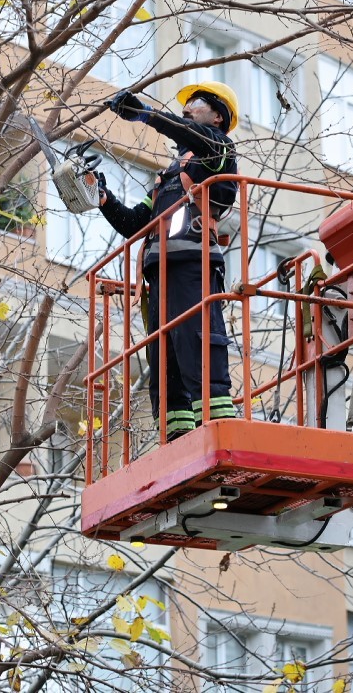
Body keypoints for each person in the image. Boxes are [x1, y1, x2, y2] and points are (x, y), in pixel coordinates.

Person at [96, 81, 240, 442]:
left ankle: (217, 426)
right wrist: (101, 197)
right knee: (165, 359)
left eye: (196, 103)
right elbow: (134, 224)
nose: (187, 108)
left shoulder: (217, 148)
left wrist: (144, 113)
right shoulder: (170, 176)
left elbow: (187, 131)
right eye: (186, 104)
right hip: (159, 274)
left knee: (196, 343)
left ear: (218, 116)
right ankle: (175, 435)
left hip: (193, 265)